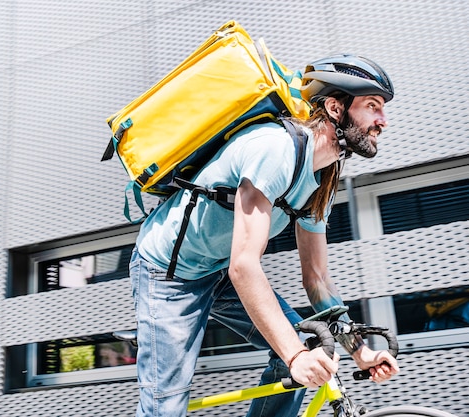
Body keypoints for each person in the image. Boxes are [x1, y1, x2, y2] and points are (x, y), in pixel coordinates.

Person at [129, 54, 401, 417]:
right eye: (372, 106)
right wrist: (295, 356)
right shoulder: (276, 150)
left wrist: (359, 350)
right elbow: (244, 266)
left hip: (216, 270)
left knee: (306, 345)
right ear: (336, 108)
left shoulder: (322, 178)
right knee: (166, 406)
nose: (382, 120)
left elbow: (317, 279)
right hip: (167, 274)